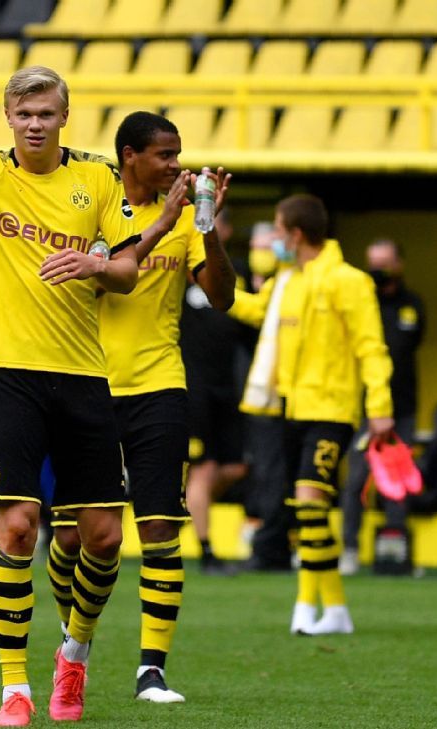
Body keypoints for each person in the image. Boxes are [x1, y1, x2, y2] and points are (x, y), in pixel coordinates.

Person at [0, 15, 180, 725]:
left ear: (64, 116)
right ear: (8, 117)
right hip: (9, 374)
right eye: (24, 113)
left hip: (84, 376)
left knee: (104, 538)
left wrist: (95, 264)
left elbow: (128, 271)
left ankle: (73, 652)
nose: (35, 123)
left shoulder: (97, 178)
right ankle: (14, 688)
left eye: (46, 112)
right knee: (17, 529)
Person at [47, 112, 234, 705]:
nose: (176, 165)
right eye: (165, 155)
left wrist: (207, 228)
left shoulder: (186, 222)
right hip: (89, 384)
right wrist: (163, 224)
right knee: (72, 537)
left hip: (159, 387)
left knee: (158, 529)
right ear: (130, 155)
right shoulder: (96, 207)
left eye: (178, 154)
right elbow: (100, 281)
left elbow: (222, 296)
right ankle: (73, 643)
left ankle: (152, 670)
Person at [230, 194, 393, 635]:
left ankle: (307, 605)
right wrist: (212, 286)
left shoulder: (349, 281)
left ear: (296, 234)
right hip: (291, 408)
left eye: (278, 231)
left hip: (332, 411)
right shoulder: (288, 281)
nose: (274, 240)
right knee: (306, 511)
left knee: (308, 502)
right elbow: (257, 311)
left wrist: (380, 407)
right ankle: (333, 610)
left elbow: (372, 348)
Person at [339, 239, 425, 574]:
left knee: (398, 482)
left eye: (385, 263)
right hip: (364, 410)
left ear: (399, 264)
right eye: (373, 263)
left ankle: (395, 553)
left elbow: (411, 346)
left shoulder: (413, 305)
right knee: (356, 480)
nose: (378, 270)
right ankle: (349, 549)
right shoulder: (363, 303)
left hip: (402, 409)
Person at [181, 208, 251, 575]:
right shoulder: (183, 269)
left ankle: (187, 503)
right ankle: (207, 551)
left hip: (226, 384)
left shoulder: (234, 273)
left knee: (236, 467)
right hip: (194, 386)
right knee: (204, 468)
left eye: (215, 222)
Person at [236, 223, 293, 572]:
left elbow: (258, 311)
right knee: (271, 470)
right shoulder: (278, 281)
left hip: (282, 392)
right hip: (272, 393)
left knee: (275, 470)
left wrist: (220, 292)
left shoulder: (288, 280)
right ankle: (275, 544)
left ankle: (272, 547)